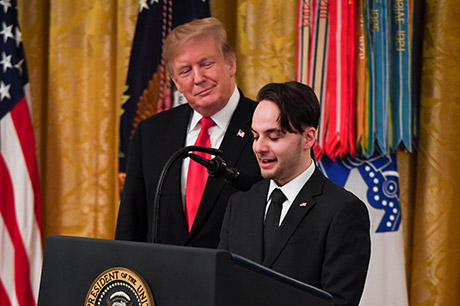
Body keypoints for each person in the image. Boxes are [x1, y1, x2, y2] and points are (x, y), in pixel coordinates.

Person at [219, 82, 370, 306]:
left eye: (274, 136)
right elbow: (221, 287)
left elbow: (338, 302)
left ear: (308, 138)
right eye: (255, 136)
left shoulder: (343, 211)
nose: (259, 147)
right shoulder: (239, 204)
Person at [115, 17, 261, 248]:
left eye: (206, 64)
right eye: (185, 71)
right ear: (175, 82)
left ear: (231, 64)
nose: (198, 78)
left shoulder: (268, 125)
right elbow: (130, 226)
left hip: (237, 279)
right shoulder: (150, 133)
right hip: (163, 278)